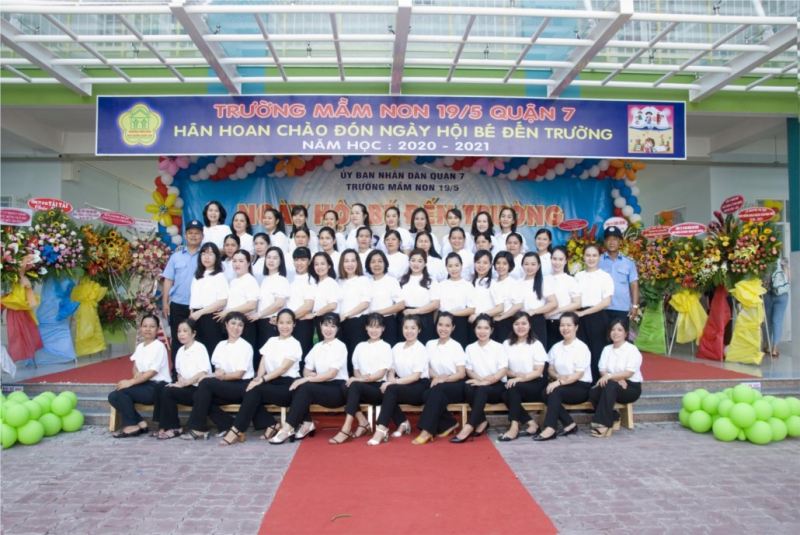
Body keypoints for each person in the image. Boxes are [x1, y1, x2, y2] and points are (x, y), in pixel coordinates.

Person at [220, 308, 302, 445]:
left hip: (288, 386)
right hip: (270, 382)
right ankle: (270, 425)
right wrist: (258, 378)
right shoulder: (271, 340)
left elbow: (283, 369)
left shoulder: (295, 344)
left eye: (288, 323)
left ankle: (236, 430)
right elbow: (263, 361)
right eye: (281, 322)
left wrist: (262, 380)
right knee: (250, 388)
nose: (285, 326)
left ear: (294, 324)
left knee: (255, 390)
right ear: (276, 323)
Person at [270, 313, 349, 444]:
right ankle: (307, 423)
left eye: (333, 326)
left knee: (304, 386)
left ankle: (287, 428)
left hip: (338, 389)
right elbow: (306, 370)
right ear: (320, 326)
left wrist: (307, 379)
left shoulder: (340, 346)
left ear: (337, 329)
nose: (328, 329)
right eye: (326, 325)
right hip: (321, 386)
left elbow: (331, 374)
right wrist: (308, 375)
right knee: (299, 385)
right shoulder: (317, 347)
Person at [181, 312, 255, 440]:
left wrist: (220, 377)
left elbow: (239, 374)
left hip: (242, 386)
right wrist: (219, 373)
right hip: (225, 385)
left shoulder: (245, 346)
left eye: (240, 325)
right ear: (226, 325)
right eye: (233, 323)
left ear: (243, 328)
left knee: (205, 384)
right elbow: (218, 368)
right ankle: (228, 424)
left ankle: (197, 428)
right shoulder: (221, 345)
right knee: (199, 396)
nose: (236, 327)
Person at [329, 313, 393, 444]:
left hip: (379, 389)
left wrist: (360, 380)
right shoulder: (360, 346)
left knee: (354, 385)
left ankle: (346, 429)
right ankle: (363, 422)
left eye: (377, 327)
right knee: (346, 385)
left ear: (383, 329)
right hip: (362, 386)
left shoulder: (386, 346)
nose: (374, 330)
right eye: (371, 326)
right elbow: (356, 370)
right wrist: (359, 378)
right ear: (366, 327)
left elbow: (380, 374)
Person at [368, 315, 430, 446]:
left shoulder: (421, 349)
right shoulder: (397, 347)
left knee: (390, 389)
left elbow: (415, 376)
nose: (409, 331)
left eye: (413, 328)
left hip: (419, 387)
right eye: (406, 327)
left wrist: (393, 382)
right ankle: (403, 423)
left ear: (419, 330)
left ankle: (381, 429)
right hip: (401, 384)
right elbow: (391, 369)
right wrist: (391, 379)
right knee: (385, 389)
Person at [108, 314, 171, 437]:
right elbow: (135, 366)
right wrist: (136, 374)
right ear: (141, 328)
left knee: (122, 392)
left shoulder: (159, 346)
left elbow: (152, 372)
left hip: (157, 387)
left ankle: (131, 426)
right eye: (145, 326)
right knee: (113, 396)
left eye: (152, 326)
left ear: (158, 329)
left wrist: (130, 382)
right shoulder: (140, 346)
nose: (148, 329)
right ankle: (140, 422)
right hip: (144, 384)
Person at [534, 312, 591, 441]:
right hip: (563, 383)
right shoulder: (556, 347)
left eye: (569, 325)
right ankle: (569, 424)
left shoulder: (581, 348)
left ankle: (550, 428)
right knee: (545, 392)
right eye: (562, 325)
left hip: (580, 386)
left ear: (576, 327)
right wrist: (558, 377)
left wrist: (559, 382)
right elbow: (550, 369)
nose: (565, 328)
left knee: (554, 392)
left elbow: (578, 374)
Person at [450, 314, 508, 443]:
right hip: (479, 382)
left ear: (491, 330)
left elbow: (503, 370)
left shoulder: (499, 347)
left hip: (497, 386)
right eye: (479, 328)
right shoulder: (470, 348)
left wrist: (487, 381)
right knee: (467, 386)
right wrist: (480, 381)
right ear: (474, 329)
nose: (482, 331)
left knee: (481, 389)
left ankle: (469, 426)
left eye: (486, 328)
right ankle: (482, 421)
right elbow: (469, 370)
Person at [413, 312, 466, 445]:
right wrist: (437, 377)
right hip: (436, 384)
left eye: (447, 325)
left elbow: (461, 373)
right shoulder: (430, 344)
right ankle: (450, 423)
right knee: (427, 394)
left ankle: (427, 430)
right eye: (440, 325)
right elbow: (427, 367)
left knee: (434, 392)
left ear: (453, 328)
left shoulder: (456, 346)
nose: (443, 328)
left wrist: (443, 379)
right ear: (436, 326)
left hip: (455, 384)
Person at [154, 319, 212, 439]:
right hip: (187, 387)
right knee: (164, 389)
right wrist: (180, 382)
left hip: (199, 390)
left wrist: (185, 383)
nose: (181, 334)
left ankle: (173, 427)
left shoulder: (200, 348)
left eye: (185, 331)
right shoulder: (180, 350)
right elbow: (179, 372)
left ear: (193, 333)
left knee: (168, 391)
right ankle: (168, 427)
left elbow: (203, 372)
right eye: (179, 331)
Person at [588, 319, 643, 437]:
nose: (615, 332)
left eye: (619, 330)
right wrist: (615, 378)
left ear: (626, 333)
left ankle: (603, 424)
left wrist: (612, 377)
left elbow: (629, 372)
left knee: (610, 386)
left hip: (630, 387)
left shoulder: (632, 349)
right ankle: (613, 416)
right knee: (593, 392)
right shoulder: (607, 349)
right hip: (612, 383)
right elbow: (602, 369)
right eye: (613, 329)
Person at [162, 219, 203, 376]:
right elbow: (168, 280)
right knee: (178, 339)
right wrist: (165, 303)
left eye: (197, 233)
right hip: (178, 304)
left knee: (199, 339)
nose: (193, 236)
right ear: (185, 235)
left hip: (198, 306)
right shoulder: (176, 257)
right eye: (190, 233)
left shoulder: (205, 256)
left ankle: (197, 374)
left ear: (202, 236)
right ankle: (176, 374)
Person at [498, 312, 548, 441]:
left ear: (530, 325)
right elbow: (503, 368)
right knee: (505, 394)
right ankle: (532, 424)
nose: (520, 327)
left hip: (534, 383)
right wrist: (514, 375)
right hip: (514, 382)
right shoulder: (506, 344)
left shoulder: (536, 344)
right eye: (517, 324)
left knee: (512, 389)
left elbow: (538, 371)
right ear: (512, 326)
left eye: (524, 323)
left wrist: (520, 378)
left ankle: (514, 427)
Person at [575, 244, 614, 383]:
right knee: (581, 351)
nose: (591, 258)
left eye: (594, 255)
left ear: (599, 257)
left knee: (597, 351)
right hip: (579, 317)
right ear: (583, 257)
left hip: (597, 317)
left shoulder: (605, 276)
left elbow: (606, 302)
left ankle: (598, 384)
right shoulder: (578, 276)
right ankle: (582, 383)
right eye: (588, 255)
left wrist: (584, 313)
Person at [215, 249, 259, 361]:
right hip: (232, 324)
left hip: (245, 324)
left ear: (248, 263)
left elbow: (252, 305)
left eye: (241, 261)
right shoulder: (233, 281)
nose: (237, 264)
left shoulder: (250, 280)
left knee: (242, 358)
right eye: (234, 261)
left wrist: (228, 311)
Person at [188, 242, 228, 357]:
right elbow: (193, 299)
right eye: (204, 254)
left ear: (216, 257)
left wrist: (200, 312)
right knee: (197, 352)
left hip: (210, 317)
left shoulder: (219, 276)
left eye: (210, 254)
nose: (206, 257)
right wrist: (192, 314)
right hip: (195, 317)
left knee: (211, 350)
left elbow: (222, 301)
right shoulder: (197, 276)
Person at [247, 246, 290, 352]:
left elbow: (279, 303)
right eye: (269, 257)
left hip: (271, 322)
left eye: (275, 258)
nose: (271, 260)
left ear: (280, 261)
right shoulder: (265, 279)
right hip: (261, 322)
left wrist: (259, 314)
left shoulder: (281, 280)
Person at [599, 225, 640, 329]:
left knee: (620, 337)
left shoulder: (629, 263)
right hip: (601, 307)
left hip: (622, 308)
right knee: (601, 337)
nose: (611, 242)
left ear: (620, 241)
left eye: (615, 239)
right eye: (608, 239)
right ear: (604, 242)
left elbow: (634, 285)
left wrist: (635, 305)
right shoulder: (598, 261)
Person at [337, 249, 371, 374]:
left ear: (358, 263)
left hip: (357, 323)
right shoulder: (339, 281)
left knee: (356, 356)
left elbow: (365, 303)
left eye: (353, 261)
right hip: (341, 324)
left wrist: (347, 314)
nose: (349, 264)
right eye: (346, 261)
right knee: (343, 356)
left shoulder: (363, 280)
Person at [399, 249, 441, 344]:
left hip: (424, 319)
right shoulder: (402, 280)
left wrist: (415, 311)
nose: (416, 264)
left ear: (425, 263)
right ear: (409, 262)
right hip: (405, 318)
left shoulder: (431, 281)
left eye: (420, 261)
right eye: (413, 260)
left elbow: (435, 304)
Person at [365, 250, 404, 346]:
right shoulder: (366, 282)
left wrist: (377, 313)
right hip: (370, 323)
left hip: (387, 322)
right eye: (373, 262)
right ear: (368, 265)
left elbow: (401, 305)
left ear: (385, 263)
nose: (376, 264)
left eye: (380, 261)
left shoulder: (391, 281)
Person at [544, 246, 580, 350]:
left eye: (560, 259)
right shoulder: (545, 279)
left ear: (566, 261)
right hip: (545, 323)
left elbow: (577, 303)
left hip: (564, 324)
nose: (557, 262)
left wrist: (557, 310)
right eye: (554, 259)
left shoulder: (571, 280)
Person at [520, 252, 557, 347]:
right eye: (526, 264)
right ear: (522, 265)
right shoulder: (518, 283)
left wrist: (534, 311)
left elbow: (553, 303)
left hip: (536, 320)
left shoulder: (543, 282)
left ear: (538, 266)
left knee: (538, 348)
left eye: (533, 264)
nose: (529, 267)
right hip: (520, 321)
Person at [438, 253, 475, 347]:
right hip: (442, 322)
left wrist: (451, 313)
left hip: (460, 322)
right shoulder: (441, 285)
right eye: (450, 266)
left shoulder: (468, 285)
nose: (453, 269)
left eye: (456, 265)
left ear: (461, 266)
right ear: (446, 268)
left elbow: (471, 309)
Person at [286, 247, 315, 359]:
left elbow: (308, 306)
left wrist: (288, 319)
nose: (299, 263)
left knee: (302, 355)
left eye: (303, 260)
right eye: (296, 260)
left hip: (303, 323)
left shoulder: (311, 280)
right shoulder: (292, 278)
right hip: (291, 323)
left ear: (309, 261)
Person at [490, 251, 523, 343]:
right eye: (498, 263)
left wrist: (502, 317)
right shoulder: (492, 282)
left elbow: (518, 305)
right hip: (491, 321)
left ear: (510, 266)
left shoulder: (513, 283)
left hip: (506, 322)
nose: (501, 266)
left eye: (504, 263)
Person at [469, 250, 501, 344]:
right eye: (478, 262)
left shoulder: (493, 283)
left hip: (487, 326)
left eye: (485, 263)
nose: (481, 265)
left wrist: (479, 315)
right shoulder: (470, 283)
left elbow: (500, 307)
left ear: (490, 265)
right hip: (472, 325)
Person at [309, 251, 340, 339]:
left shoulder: (331, 282)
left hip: (329, 321)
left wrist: (314, 314)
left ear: (329, 265)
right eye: (316, 264)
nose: (319, 267)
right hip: (320, 320)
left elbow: (332, 305)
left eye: (322, 264)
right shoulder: (316, 284)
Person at [764, 257, 790, 357]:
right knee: (776, 321)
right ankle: (774, 348)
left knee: (769, 321)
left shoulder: (765, 261)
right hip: (781, 294)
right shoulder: (783, 260)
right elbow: (788, 277)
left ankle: (768, 346)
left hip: (769, 294)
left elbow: (764, 281)